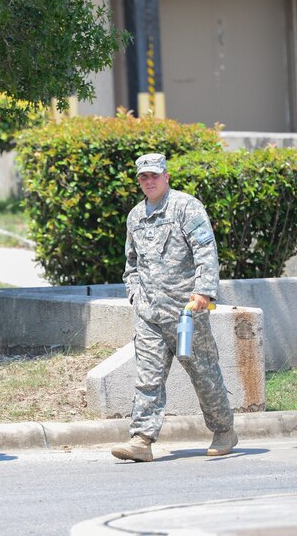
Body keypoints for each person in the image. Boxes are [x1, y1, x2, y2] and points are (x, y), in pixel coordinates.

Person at [111, 153, 237, 462]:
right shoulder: (135, 217)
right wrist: (134, 295)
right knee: (147, 377)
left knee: (203, 373)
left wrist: (204, 292)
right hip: (149, 314)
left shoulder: (186, 207)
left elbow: (205, 249)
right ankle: (141, 439)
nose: (149, 181)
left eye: (154, 175)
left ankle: (223, 430)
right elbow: (132, 264)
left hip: (186, 313)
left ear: (166, 176)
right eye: (143, 177)